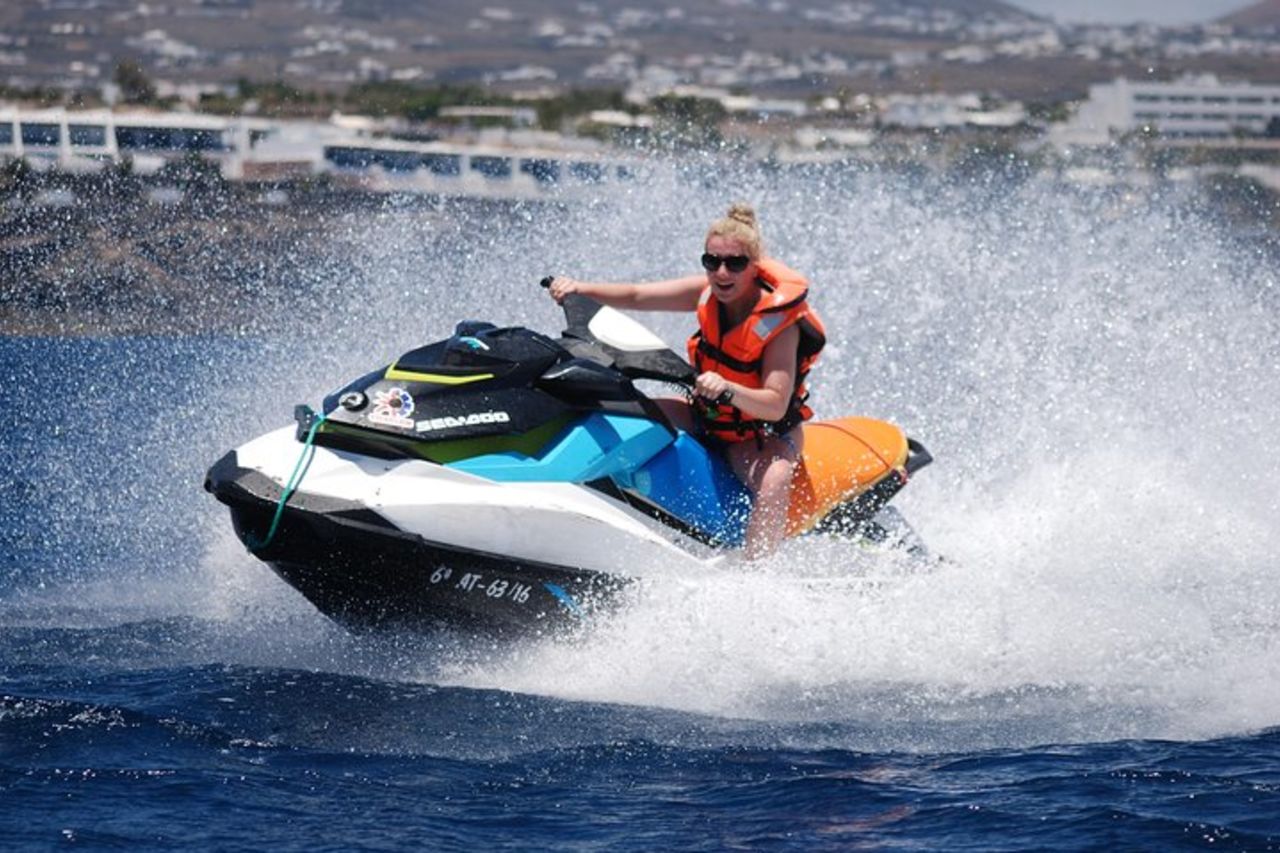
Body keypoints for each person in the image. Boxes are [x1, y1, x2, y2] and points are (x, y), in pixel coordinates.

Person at [548, 203, 825, 559]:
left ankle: (757, 575)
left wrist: (728, 389)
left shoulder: (779, 325)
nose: (722, 272)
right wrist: (579, 289)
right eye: (712, 261)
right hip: (707, 414)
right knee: (625, 412)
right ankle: (567, 492)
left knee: (774, 480)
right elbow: (636, 295)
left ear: (754, 267)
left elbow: (773, 403)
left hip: (757, 435)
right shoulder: (708, 292)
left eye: (735, 264)